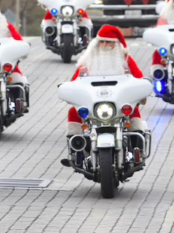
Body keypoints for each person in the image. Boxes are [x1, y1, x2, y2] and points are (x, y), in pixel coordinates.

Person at [62, 25, 148, 166]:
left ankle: (137, 152)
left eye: (109, 42)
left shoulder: (125, 60)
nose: (105, 45)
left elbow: (139, 78)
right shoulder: (87, 62)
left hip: (119, 104)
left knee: (134, 113)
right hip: (93, 105)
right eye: (102, 42)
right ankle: (76, 153)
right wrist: (69, 91)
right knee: (74, 112)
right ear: (97, 43)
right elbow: (75, 82)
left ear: (116, 44)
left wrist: (142, 89)